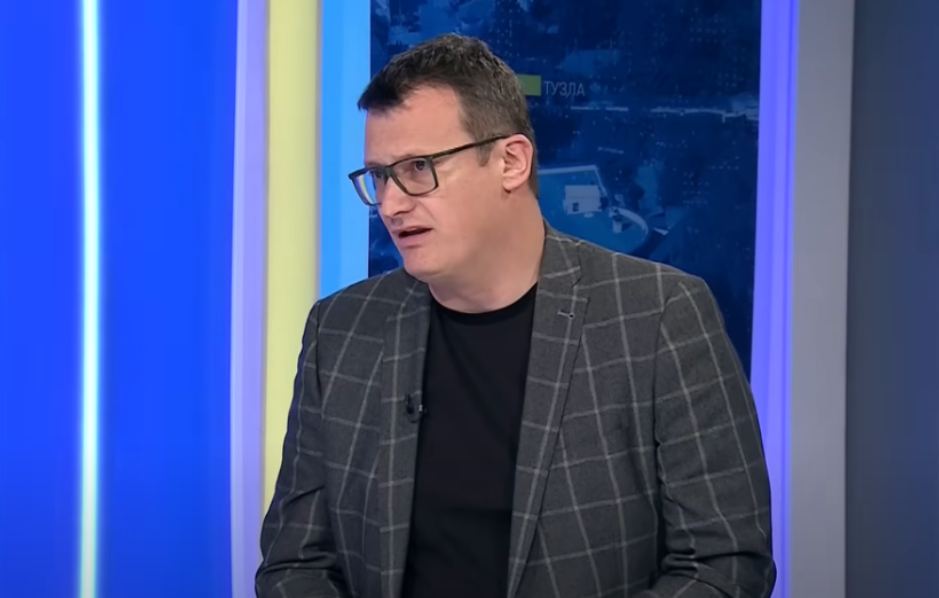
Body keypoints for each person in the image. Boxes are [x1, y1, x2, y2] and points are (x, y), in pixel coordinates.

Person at [256, 33, 775, 598]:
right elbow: (294, 563)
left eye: (419, 167)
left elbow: (724, 565)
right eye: (380, 175)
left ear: (511, 162)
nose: (391, 203)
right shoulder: (340, 330)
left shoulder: (659, 317)